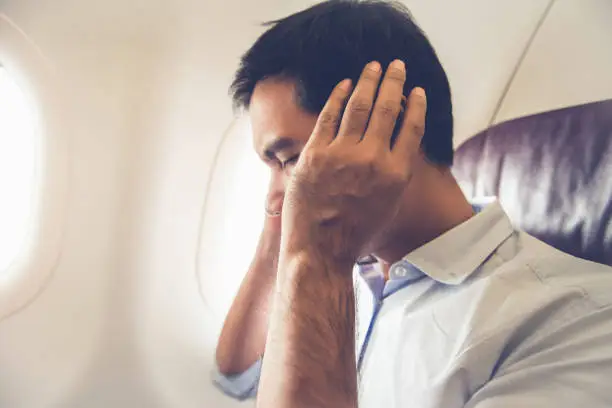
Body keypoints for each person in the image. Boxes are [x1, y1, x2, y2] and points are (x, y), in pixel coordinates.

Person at [213, 1, 612, 407]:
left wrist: (321, 257)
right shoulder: (349, 274)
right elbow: (238, 377)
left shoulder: (580, 319)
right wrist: (278, 229)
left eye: (291, 159)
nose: (274, 194)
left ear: (391, 126)